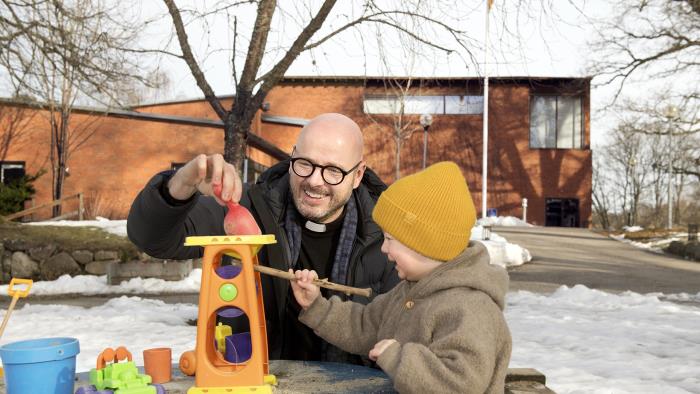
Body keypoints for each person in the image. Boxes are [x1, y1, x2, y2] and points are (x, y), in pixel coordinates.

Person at [127, 113, 399, 363]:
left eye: (333, 171)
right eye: (305, 164)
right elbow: (153, 239)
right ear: (292, 157)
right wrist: (181, 185)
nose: (315, 181)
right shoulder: (247, 208)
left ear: (357, 175)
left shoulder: (389, 236)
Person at [290, 161, 512, 393]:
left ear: (424, 244)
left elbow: (459, 384)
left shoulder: (469, 309)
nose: (384, 249)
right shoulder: (412, 290)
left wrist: (398, 358)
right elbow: (367, 324)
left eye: (390, 239)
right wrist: (317, 306)